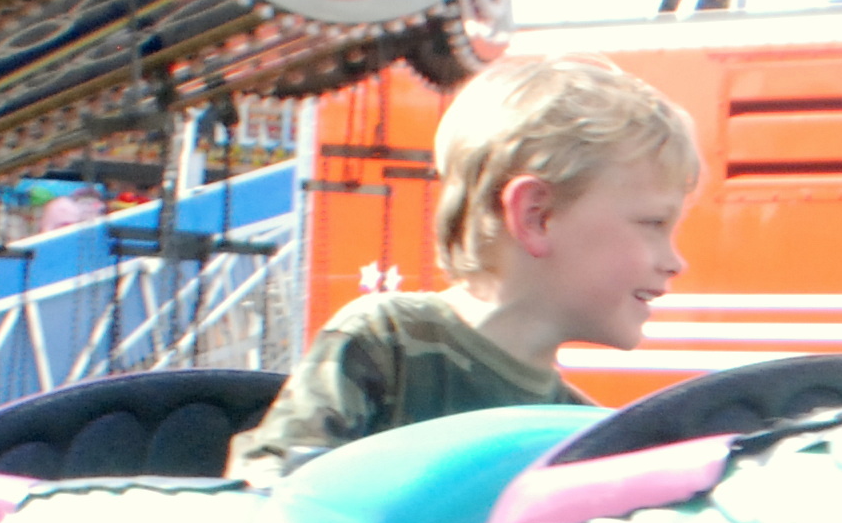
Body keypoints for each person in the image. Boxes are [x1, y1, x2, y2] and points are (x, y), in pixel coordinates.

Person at [227, 53, 700, 482]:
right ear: (536, 217)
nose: (675, 261)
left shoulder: (584, 434)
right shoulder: (390, 345)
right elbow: (269, 496)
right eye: (653, 224)